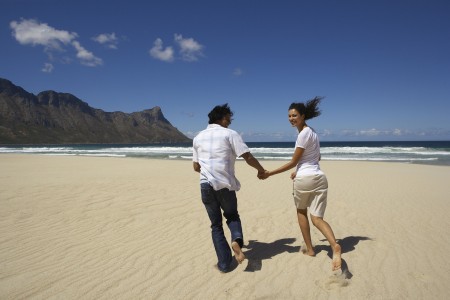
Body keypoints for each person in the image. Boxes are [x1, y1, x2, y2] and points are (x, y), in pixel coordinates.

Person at [258, 97, 342, 271]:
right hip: (320, 177)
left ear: (303, 116)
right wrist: (300, 168)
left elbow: (293, 161)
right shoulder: (313, 132)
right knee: (317, 218)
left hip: (305, 180)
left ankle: (310, 249)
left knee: (301, 211)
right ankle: (334, 245)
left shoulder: (302, 135)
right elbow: (316, 158)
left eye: (294, 115)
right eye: (289, 116)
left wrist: (269, 173)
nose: (291, 118)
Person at [193, 103, 266, 273]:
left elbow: (196, 167)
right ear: (222, 118)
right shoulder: (230, 134)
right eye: (229, 118)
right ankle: (236, 241)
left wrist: (207, 168)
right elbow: (247, 156)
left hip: (205, 185)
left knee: (216, 225)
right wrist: (261, 170)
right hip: (225, 184)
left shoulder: (197, 137)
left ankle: (224, 264)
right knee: (232, 216)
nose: (230, 122)